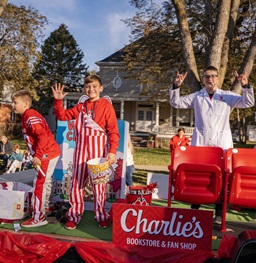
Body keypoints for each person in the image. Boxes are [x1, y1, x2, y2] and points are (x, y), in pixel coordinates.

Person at [170, 66, 255, 225]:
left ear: (218, 78)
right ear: (203, 79)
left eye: (214, 76)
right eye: (207, 76)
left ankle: (218, 214)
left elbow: (248, 102)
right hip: (201, 145)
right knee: (199, 177)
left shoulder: (227, 96)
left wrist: (245, 85)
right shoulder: (197, 97)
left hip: (221, 146)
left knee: (221, 179)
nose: (211, 79)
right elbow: (176, 102)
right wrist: (176, 87)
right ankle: (194, 211)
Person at [52, 74, 120, 230]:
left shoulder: (106, 106)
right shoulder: (81, 106)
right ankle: (74, 215)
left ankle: (102, 215)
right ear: (84, 89)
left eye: (95, 86)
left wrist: (113, 151)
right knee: (77, 184)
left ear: (101, 88)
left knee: (99, 186)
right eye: (88, 86)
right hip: (81, 153)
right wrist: (58, 100)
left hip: (98, 154)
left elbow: (113, 131)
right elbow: (62, 115)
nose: (91, 89)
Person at [11, 90, 61, 228]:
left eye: (15, 102)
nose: (12, 105)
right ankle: (43, 208)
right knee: (45, 182)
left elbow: (42, 136)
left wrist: (38, 155)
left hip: (46, 153)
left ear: (26, 103)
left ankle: (39, 217)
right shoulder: (26, 116)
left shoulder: (30, 115)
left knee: (39, 184)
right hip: (49, 152)